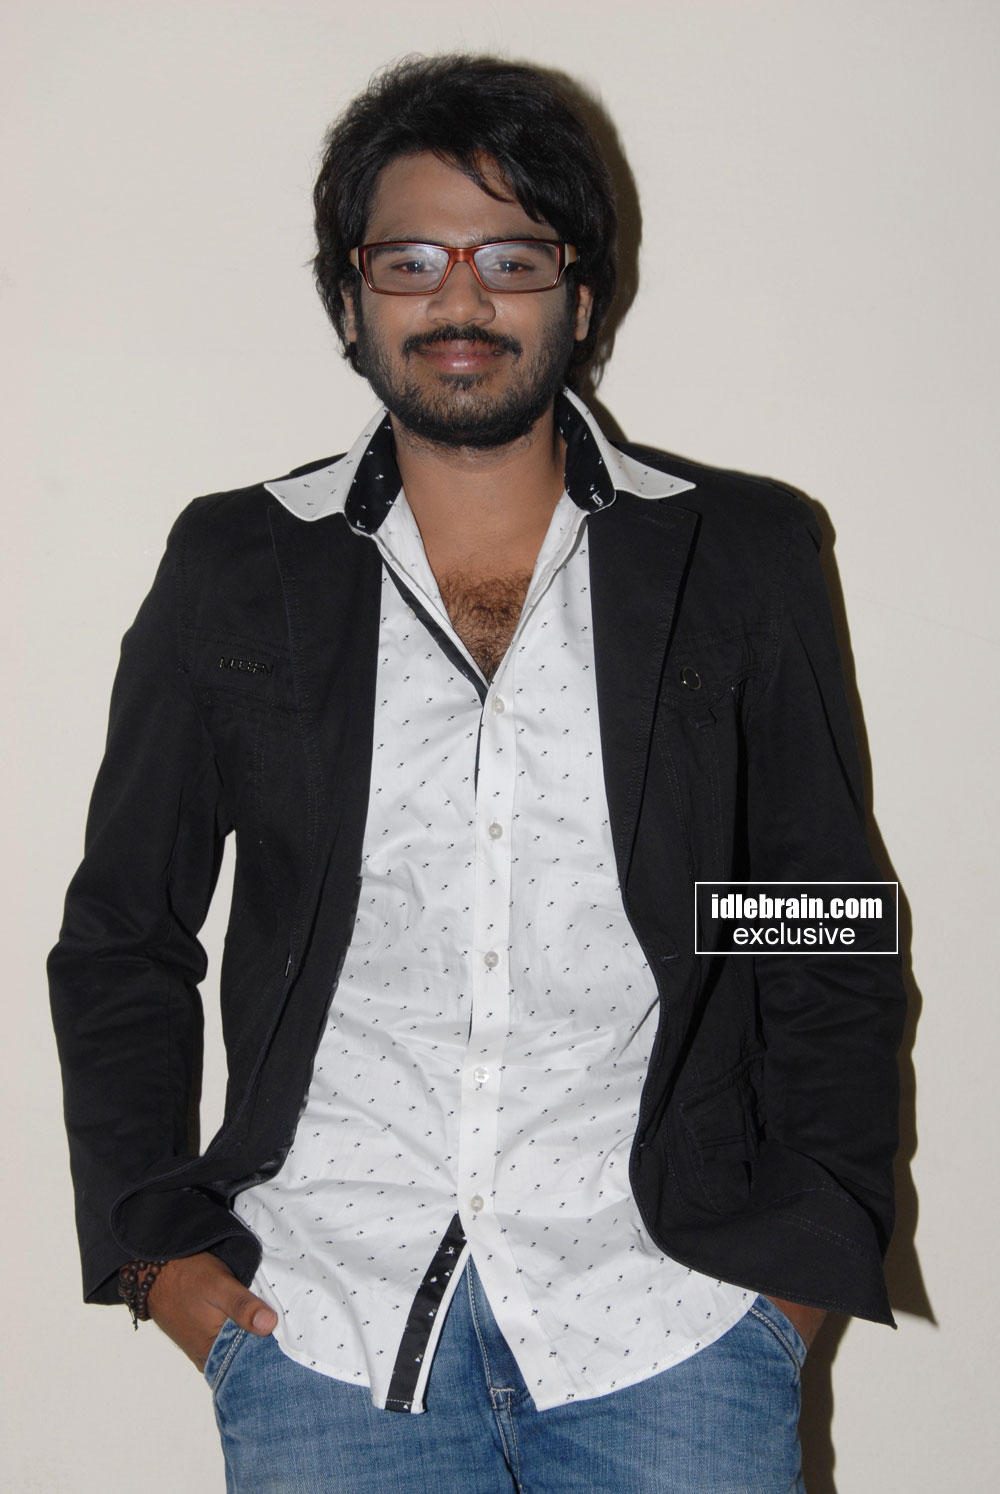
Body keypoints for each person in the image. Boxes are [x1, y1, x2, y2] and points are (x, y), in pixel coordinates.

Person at [49, 53, 905, 1493]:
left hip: (672, 1314)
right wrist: (157, 1258)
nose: (461, 300)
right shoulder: (237, 565)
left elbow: (817, 923)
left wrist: (797, 1274)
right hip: (326, 1315)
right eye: (411, 259)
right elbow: (125, 934)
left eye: (511, 257)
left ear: (583, 296)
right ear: (350, 300)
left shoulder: (738, 555)